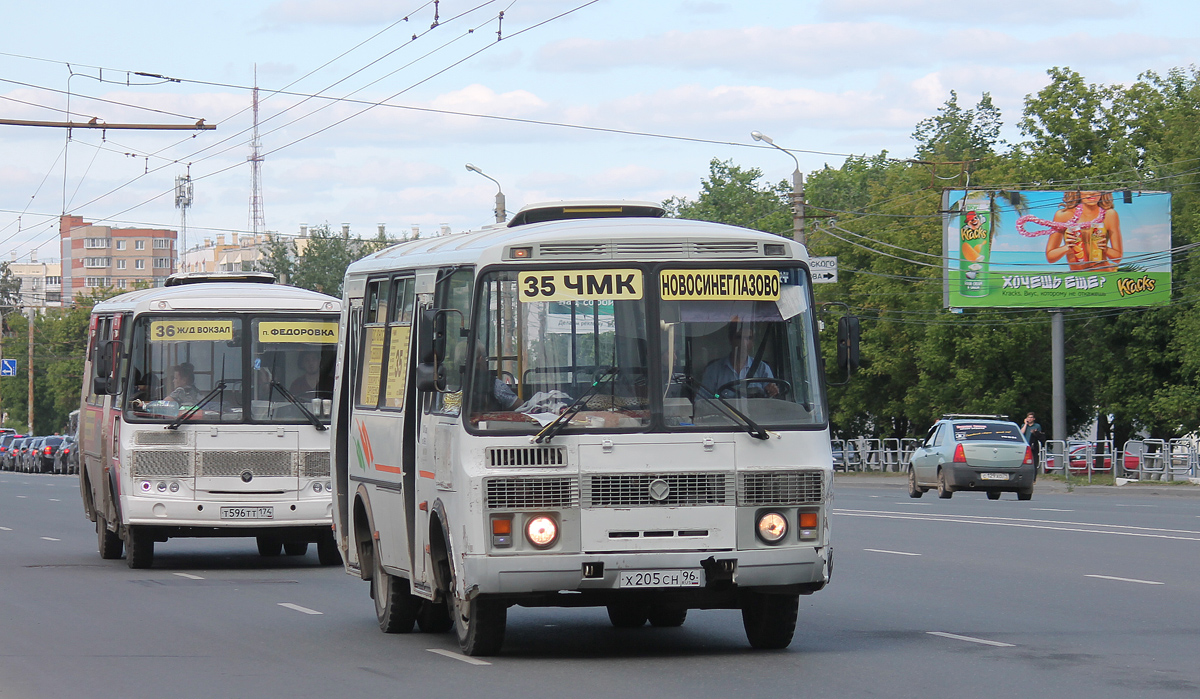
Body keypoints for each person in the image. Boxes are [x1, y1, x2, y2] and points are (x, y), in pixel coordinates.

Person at [1045, 191, 1123, 271]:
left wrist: (1104, 248)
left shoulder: (1109, 214)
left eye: (1095, 189)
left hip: (1103, 275)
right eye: (1085, 189)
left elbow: (1117, 258)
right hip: (1078, 278)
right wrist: (1068, 247)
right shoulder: (1063, 215)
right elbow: (1051, 257)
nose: (1092, 193)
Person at [701, 323, 779, 398]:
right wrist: (717, 397)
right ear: (731, 340)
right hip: (722, 411)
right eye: (739, 338)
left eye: (748, 338)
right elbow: (702, 401)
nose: (743, 343)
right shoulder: (714, 370)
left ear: (752, 343)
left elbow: (771, 403)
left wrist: (772, 391)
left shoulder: (763, 369)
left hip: (756, 411)